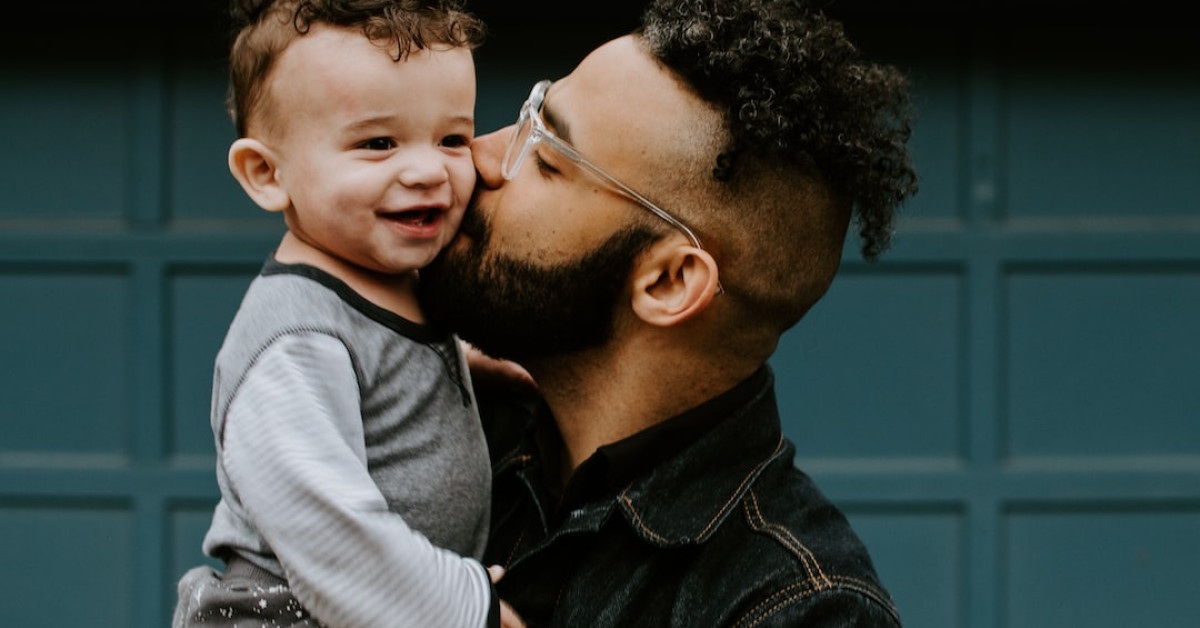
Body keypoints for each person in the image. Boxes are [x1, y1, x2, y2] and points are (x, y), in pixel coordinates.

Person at [416, 0, 919, 626]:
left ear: (669, 281)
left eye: (545, 159)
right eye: (528, 117)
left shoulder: (797, 607)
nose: (477, 156)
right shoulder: (432, 414)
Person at [172, 1, 508, 626]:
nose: (428, 170)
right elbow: (332, 538)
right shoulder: (295, 342)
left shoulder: (389, 280)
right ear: (267, 174)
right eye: (378, 143)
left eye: (452, 139)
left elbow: (384, 372)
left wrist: (474, 367)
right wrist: (471, 607)